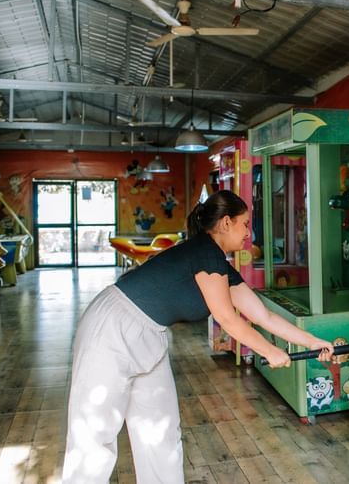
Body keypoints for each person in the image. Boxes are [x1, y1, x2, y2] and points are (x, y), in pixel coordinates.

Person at [62, 190, 334, 483]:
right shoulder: (206, 252)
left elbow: (263, 316)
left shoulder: (218, 265)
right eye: (245, 224)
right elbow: (227, 318)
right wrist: (269, 350)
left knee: (161, 431)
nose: (248, 233)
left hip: (149, 332)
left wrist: (312, 342)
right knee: (95, 435)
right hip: (112, 327)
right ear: (226, 223)